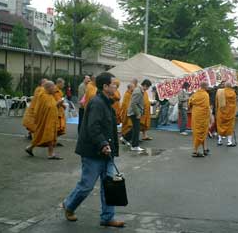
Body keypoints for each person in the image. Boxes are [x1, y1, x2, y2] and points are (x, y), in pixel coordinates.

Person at [62, 72, 124, 228]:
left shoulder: (107, 102)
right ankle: (69, 205)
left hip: (107, 152)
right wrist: (103, 143)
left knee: (109, 185)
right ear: (105, 87)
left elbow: (107, 127)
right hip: (93, 152)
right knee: (87, 185)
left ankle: (107, 217)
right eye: (113, 85)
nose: (116, 87)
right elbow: (93, 127)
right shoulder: (97, 103)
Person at [24, 81, 63, 159]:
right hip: (45, 121)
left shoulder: (50, 96)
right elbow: (48, 107)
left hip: (50, 119)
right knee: (48, 136)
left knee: (45, 136)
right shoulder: (43, 96)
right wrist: (57, 103)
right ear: (48, 88)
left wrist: (58, 104)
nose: (54, 89)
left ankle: (30, 148)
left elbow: (52, 106)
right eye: (53, 87)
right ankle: (50, 154)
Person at [128, 79, 152, 151]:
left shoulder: (139, 90)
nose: (147, 89)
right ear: (144, 85)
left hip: (135, 112)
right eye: (147, 87)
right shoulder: (138, 91)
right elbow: (133, 103)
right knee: (136, 129)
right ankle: (135, 145)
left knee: (135, 128)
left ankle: (125, 138)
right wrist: (138, 113)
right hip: (135, 113)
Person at [189, 82, 211, 157]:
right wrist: (210, 117)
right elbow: (206, 107)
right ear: (204, 86)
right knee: (200, 133)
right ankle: (195, 151)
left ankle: (205, 149)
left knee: (201, 133)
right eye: (208, 85)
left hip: (196, 115)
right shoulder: (205, 95)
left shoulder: (196, 94)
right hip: (202, 116)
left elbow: (190, 102)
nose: (208, 87)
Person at [215, 82, 237, 146]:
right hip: (230, 112)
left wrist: (216, 110)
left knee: (220, 125)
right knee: (230, 127)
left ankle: (219, 140)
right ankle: (229, 141)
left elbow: (217, 102)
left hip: (221, 112)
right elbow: (234, 104)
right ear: (230, 86)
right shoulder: (233, 93)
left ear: (225, 86)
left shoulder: (220, 92)